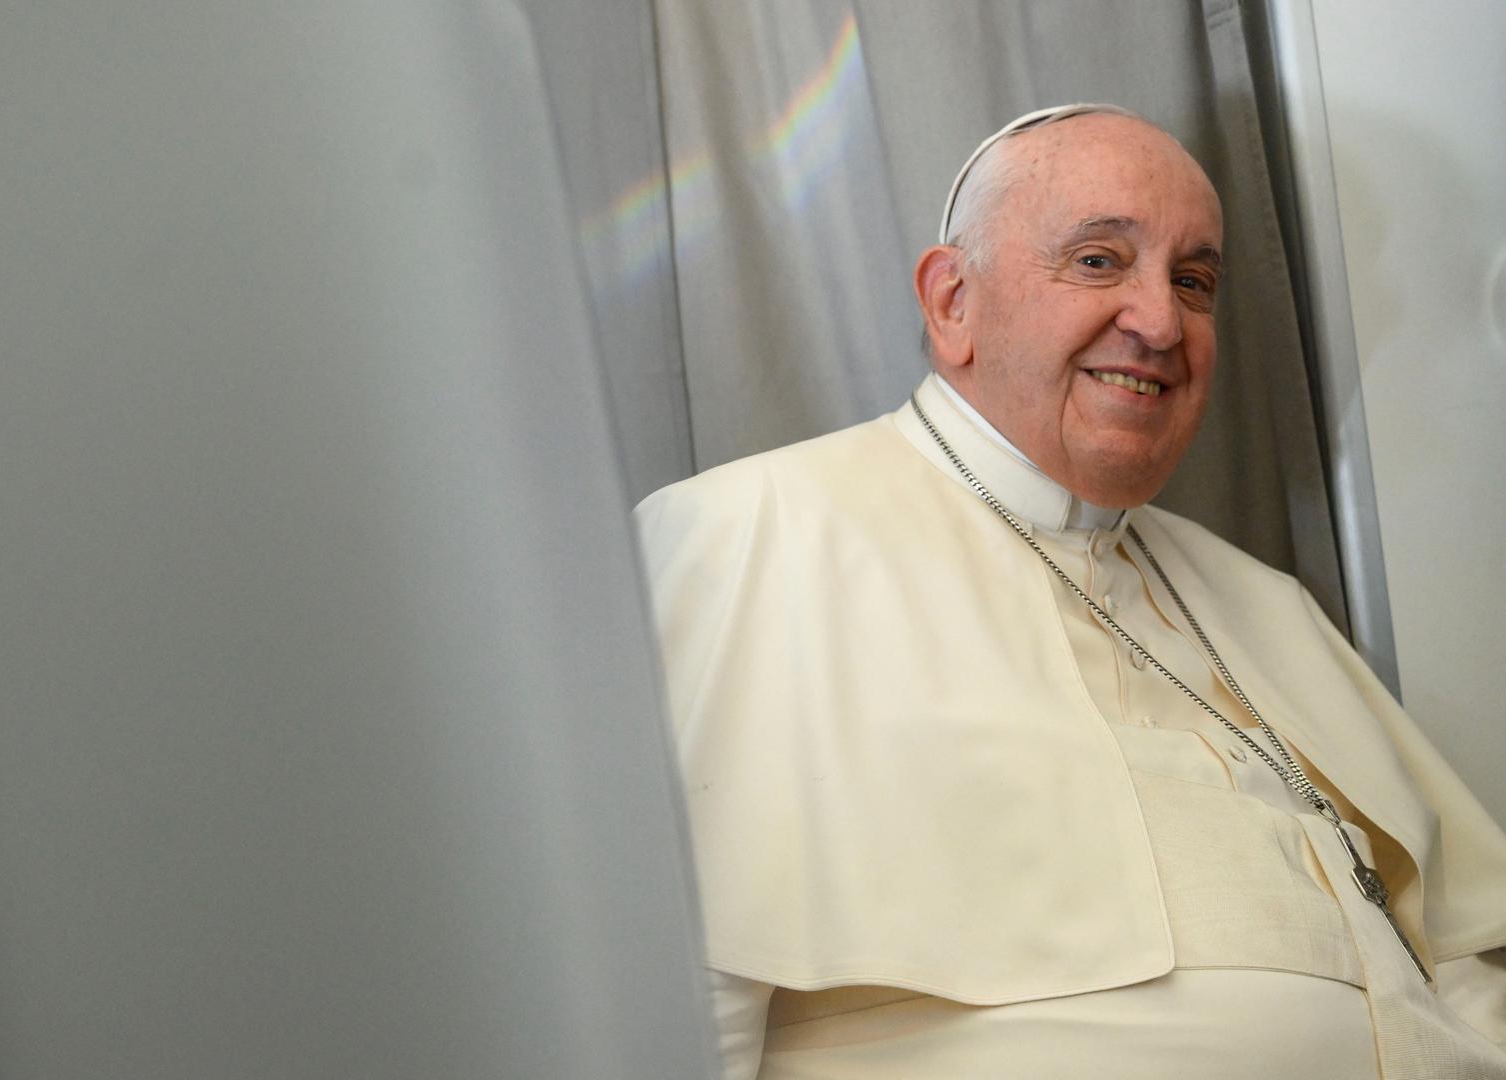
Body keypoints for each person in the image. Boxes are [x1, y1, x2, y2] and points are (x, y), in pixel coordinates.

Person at [634, 104, 1506, 1079]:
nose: (1157, 321)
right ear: (951, 303)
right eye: (1096, 261)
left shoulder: (1263, 603)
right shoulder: (754, 534)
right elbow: (655, 1005)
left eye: (1193, 281)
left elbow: (1458, 947)